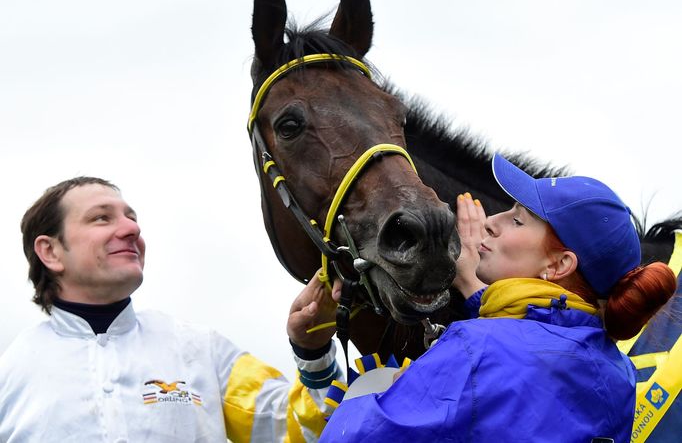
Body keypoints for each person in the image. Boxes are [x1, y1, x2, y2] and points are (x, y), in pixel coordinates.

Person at [320, 154, 677, 442]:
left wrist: (374, 392)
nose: (491, 222)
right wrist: (475, 291)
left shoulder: (476, 349)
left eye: (517, 221)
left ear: (559, 264)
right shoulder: (620, 375)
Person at [0, 176, 341, 442]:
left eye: (131, 219)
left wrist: (313, 353)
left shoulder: (203, 350)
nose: (132, 229)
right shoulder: (10, 372)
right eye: (101, 218)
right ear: (51, 252)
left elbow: (304, 433)